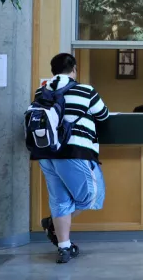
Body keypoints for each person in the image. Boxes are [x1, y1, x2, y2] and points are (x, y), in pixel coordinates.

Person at [31, 53, 109, 264]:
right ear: (73, 69)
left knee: (60, 200)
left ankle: (64, 248)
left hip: (46, 153)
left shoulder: (42, 91)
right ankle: (51, 224)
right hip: (74, 151)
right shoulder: (86, 90)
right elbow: (104, 115)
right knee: (93, 195)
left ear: (53, 70)